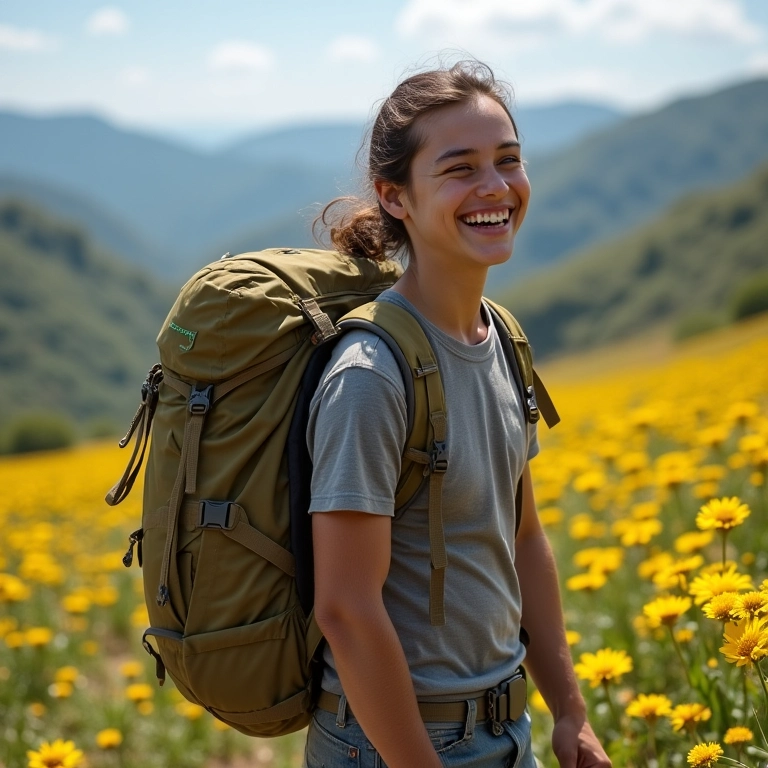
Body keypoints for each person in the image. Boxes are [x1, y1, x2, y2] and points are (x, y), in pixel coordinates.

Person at [304, 60, 611, 768]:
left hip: (510, 730)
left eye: (508, 160)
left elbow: (523, 535)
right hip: (394, 744)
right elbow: (346, 612)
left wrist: (570, 711)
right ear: (396, 197)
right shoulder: (370, 377)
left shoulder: (501, 338)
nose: (496, 188)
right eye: (461, 168)